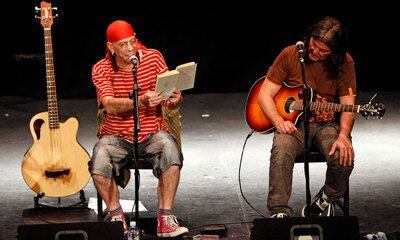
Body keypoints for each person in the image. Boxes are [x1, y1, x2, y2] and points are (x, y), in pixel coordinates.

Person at [89, 20, 188, 237]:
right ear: (110, 47)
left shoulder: (153, 58)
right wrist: (139, 101)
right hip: (116, 135)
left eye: (131, 41)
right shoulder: (101, 69)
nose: (129, 48)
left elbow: (167, 96)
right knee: (99, 159)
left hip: (151, 132)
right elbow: (108, 103)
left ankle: (165, 219)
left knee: (171, 151)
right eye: (122, 44)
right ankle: (117, 217)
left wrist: (174, 99)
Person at [258, 16, 356, 218]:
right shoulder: (290, 54)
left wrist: (344, 135)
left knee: (343, 156)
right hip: (293, 123)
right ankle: (279, 212)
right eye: (314, 45)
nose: (315, 52)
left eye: (323, 50)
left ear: (335, 51)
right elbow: (264, 94)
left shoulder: (345, 62)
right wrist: (278, 121)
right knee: (282, 149)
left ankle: (325, 199)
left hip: (326, 124)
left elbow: (347, 104)